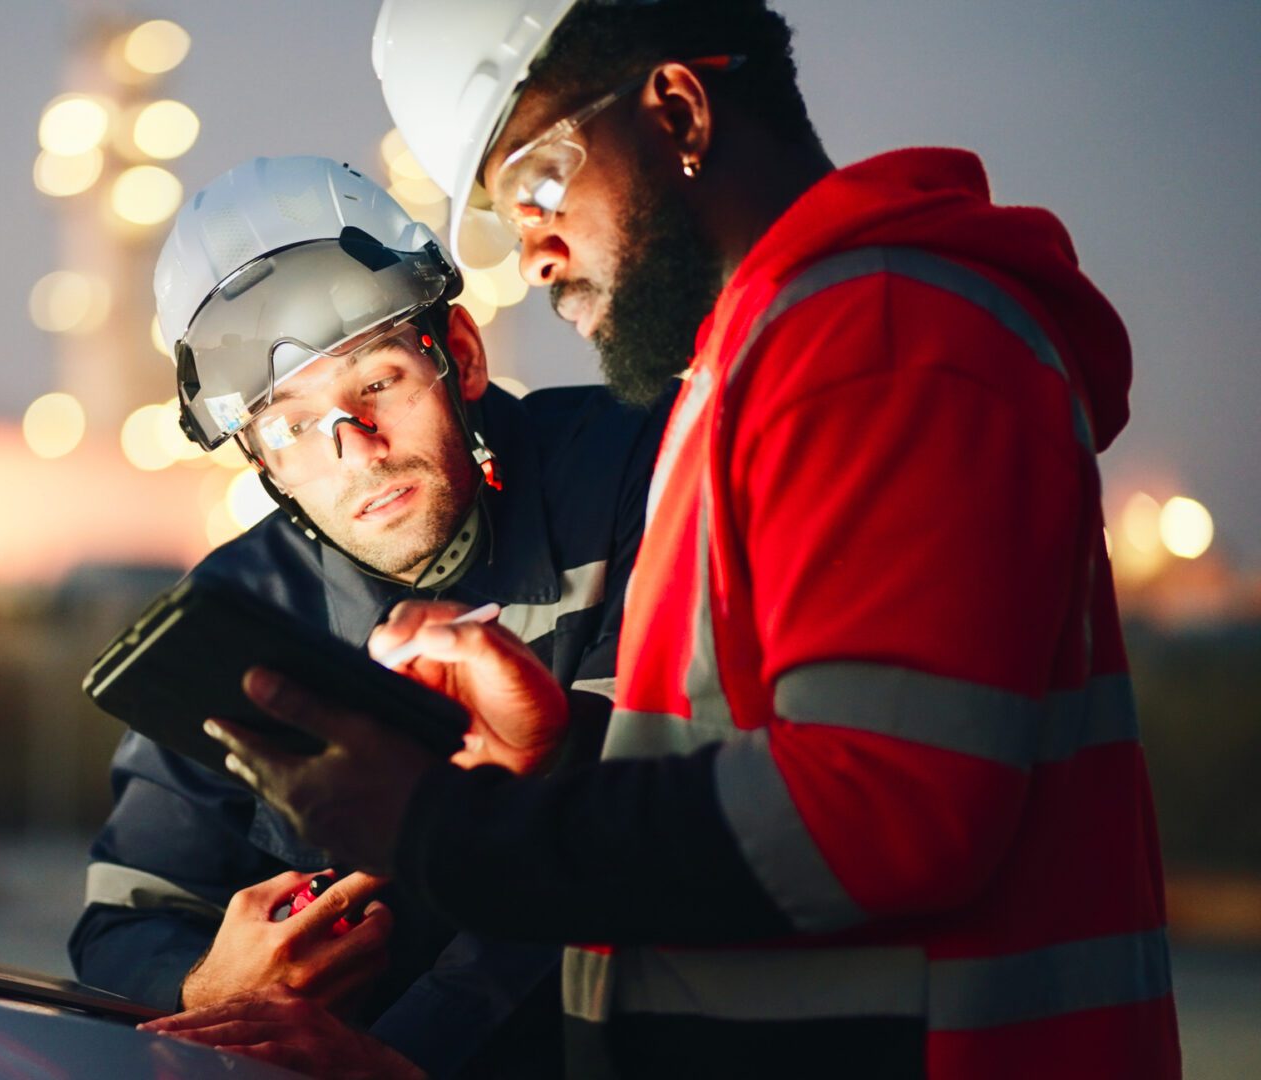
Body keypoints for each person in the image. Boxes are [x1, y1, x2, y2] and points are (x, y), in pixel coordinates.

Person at [172, 2, 1181, 1078]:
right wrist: (548, 764)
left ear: (678, 112)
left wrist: (436, 824)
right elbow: (772, 793)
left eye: (534, 186)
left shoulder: (881, 336)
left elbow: (880, 812)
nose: (536, 253)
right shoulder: (755, 372)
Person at [71, 155, 672, 1077]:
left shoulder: (636, 475)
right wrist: (207, 990)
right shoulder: (237, 617)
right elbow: (124, 922)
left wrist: (396, 1058)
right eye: (292, 424)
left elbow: (633, 849)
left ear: (460, 356)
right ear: (263, 463)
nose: (354, 450)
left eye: (378, 383)